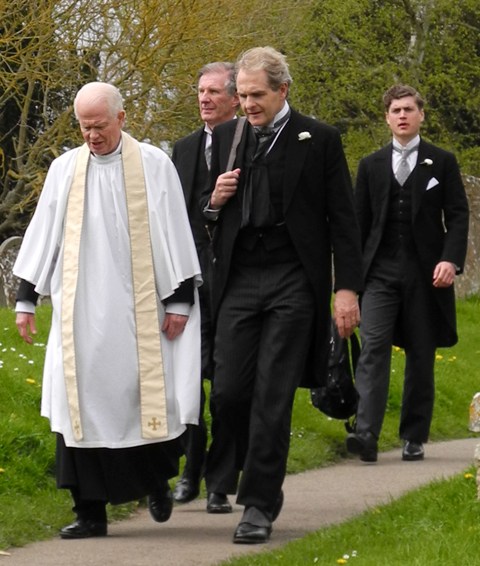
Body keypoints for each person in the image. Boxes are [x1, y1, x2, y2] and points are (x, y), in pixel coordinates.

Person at [13, 82, 203, 539]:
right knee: (77, 409)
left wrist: (179, 300)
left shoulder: (154, 164)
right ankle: (89, 512)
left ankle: (155, 483)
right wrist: (25, 299)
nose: (92, 136)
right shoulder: (65, 169)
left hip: (141, 313)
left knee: (147, 401)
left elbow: (175, 231)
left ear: (121, 118)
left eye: (99, 126)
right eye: (84, 127)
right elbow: (43, 233)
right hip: (80, 314)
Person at [201, 46, 363, 544]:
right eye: (242, 95)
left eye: (257, 95)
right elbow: (202, 217)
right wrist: (214, 201)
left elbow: (344, 220)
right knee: (228, 392)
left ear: (283, 90)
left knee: (273, 394)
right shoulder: (226, 138)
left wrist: (346, 289)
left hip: (293, 279)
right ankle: (232, 474)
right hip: (239, 279)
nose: (248, 104)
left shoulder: (319, 139)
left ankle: (258, 503)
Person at [346, 84, 469, 464]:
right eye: (396, 110)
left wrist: (450, 260)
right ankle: (366, 433)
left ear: (421, 115)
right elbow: (358, 225)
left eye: (408, 109)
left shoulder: (442, 161)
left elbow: (458, 215)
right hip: (379, 274)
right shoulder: (370, 165)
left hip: (425, 274)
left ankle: (414, 436)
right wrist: (348, 283)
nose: (402, 116)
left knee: (421, 352)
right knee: (373, 348)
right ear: (386, 118)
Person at [171, 62, 240, 512]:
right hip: (192, 280)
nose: (204, 98)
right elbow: (174, 215)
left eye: (214, 91)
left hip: (238, 279)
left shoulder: (249, 142)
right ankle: (190, 469)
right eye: (200, 91)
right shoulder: (183, 149)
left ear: (235, 98)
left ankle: (221, 479)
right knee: (189, 381)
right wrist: (209, 203)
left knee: (229, 387)